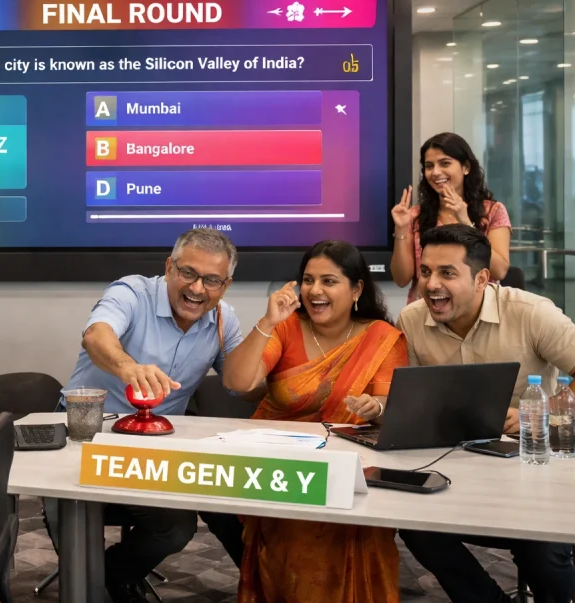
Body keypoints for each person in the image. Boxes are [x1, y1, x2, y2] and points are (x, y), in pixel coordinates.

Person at [47, 228, 245, 603]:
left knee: (175, 527)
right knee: (74, 549)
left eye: (212, 280)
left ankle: (111, 575)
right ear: (169, 267)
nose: (197, 289)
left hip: (151, 450)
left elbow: (241, 382)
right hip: (85, 437)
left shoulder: (223, 320)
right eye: (188, 273)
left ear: (226, 284)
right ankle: (90, 581)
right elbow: (96, 336)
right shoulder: (132, 292)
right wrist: (127, 367)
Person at [396, 224, 575, 603]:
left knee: (540, 549)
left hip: (534, 464)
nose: (431, 285)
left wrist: (538, 413)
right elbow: (407, 399)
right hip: (459, 463)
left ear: (481, 278)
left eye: (447, 273)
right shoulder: (412, 320)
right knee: (413, 522)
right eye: (426, 272)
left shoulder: (531, 313)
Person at [223, 240, 407, 603]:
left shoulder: (382, 338)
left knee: (354, 529)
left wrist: (376, 408)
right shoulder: (286, 328)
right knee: (297, 535)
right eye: (308, 280)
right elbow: (237, 382)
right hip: (281, 470)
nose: (314, 290)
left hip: (352, 470)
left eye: (328, 281)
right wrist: (266, 322)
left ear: (356, 289)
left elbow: (392, 406)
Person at [391, 132, 511, 304]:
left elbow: (499, 271)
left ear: (466, 167)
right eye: (429, 166)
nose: (436, 172)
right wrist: (401, 230)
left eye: (445, 163)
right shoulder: (415, 215)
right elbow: (401, 279)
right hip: (426, 311)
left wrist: (466, 224)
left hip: (479, 312)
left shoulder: (493, 211)